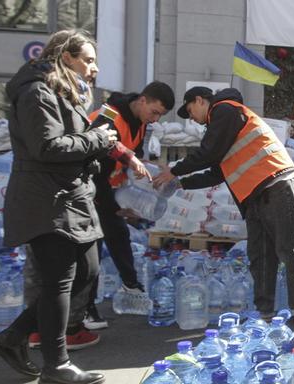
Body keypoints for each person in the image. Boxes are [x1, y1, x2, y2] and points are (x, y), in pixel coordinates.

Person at [0, 29, 115, 384]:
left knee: (86, 274)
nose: (94, 68)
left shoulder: (63, 93)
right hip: (45, 200)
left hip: (70, 197)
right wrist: (96, 139)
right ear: (66, 57)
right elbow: (47, 147)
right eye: (88, 59)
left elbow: (67, 144)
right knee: (59, 281)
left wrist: (97, 145)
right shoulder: (36, 90)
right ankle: (55, 365)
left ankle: (12, 337)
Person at [153, 86, 294, 322]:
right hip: (256, 193)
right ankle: (264, 313)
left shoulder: (224, 110)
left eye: (190, 110)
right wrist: (181, 184)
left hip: (275, 185)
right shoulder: (222, 125)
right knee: (261, 255)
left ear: (200, 100)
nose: (192, 118)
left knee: (289, 250)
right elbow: (217, 173)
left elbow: (208, 153)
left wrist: (174, 171)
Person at [82, 81, 175, 329]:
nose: (155, 119)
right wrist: (114, 206)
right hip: (90, 187)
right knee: (92, 250)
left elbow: (135, 159)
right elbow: (100, 155)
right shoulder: (109, 114)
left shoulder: (142, 124)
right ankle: (86, 309)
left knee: (118, 235)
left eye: (160, 115)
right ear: (142, 100)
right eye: (154, 112)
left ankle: (131, 284)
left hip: (111, 188)